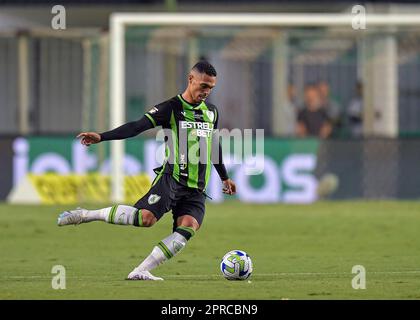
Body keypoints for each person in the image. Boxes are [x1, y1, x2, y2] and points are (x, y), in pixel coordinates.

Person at [57, 61, 236, 280]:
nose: (206, 92)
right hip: (172, 179)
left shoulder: (211, 112)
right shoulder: (170, 108)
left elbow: (212, 144)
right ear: (190, 80)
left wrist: (224, 177)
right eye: (203, 86)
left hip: (196, 188)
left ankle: (141, 270)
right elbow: (136, 126)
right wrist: (102, 136)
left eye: (210, 88)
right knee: (146, 219)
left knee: (188, 228)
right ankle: (85, 215)